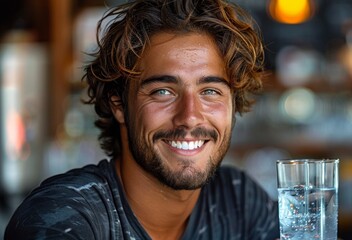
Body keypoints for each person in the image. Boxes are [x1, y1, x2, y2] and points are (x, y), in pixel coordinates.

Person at [5, 0, 279, 239]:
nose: (190, 117)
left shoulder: (238, 201)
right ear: (119, 103)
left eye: (210, 91)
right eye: (163, 91)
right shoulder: (62, 216)